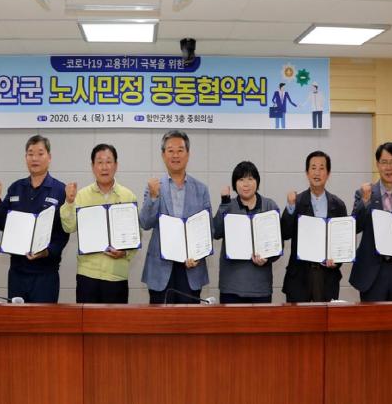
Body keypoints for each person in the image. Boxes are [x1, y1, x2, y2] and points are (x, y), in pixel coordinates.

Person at [0, 135, 69, 303]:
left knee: (44, 319)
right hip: (17, 272)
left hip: (45, 274)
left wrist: (47, 251)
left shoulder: (60, 190)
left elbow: (63, 233)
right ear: (25, 157)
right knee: (16, 319)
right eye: (30, 154)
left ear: (49, 157)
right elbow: (2, 222)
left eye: (40, 153)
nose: (35, 158)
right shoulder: (16, 187)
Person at [60, 144, 138, 303]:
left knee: (115, 320)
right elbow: (69, 227)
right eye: (100, 162)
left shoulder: (128, 196)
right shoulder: (81, 196)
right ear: (92, 166)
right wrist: (69, 202)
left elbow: (136, 236)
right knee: (86, 319)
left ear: (116, 165)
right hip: (87, 275)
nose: (104, 167)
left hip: (116, 276)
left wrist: (124, 253)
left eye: (109, 162)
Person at [140, 130, 212, 304]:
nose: (175, 155)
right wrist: (153, 197)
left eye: (180, 150)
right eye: (170, 151)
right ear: (163, 155)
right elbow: (145, 223)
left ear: (188, 154)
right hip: (160, 269)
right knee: (160, 320)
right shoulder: (154, 187)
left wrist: (198, 254)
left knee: (189, 321)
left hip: (191, 268)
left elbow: (208, 230)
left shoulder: (201, 189)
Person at [349, 142, 392, 302]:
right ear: (377, 165)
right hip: (372, 274)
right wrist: (365, 201)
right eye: (384, 162)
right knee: (371, 318)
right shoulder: (364, 193)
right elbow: (355, 227)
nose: (389, 167)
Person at [281, 151, 347, 302]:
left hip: (327, 277)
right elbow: (284, 233)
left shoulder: (338, 205)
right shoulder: (296, 201)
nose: (317, 172)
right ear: (307, 173)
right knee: (299, 318)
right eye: (313, 168)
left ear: (328, 174)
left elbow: (342, 242)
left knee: (325, 317)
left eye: (322, 168)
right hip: (299, 277)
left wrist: (336, 261)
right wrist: (290, 207)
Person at [213, 161, 280, 303]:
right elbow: (215, 232)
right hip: (231, 287)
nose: (246, 184)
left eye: (250, 179)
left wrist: (267, 258)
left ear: (257, 182)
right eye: (241, 179)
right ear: (235, 184)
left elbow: (277, 245)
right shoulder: (228, 205)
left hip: (260, 288)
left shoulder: (269, 206)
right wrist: (224, 203)